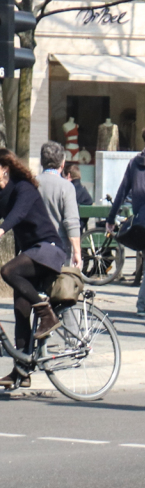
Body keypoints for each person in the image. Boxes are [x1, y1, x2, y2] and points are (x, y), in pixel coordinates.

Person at [0, 149, 68, 389]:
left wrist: (1, 230)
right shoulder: (3, 194)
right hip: (31, 254)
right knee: (20, 311)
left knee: (8, 271)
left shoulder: (24, 188)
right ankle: (22, 371)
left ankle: (47, 315)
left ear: (4, 168)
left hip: (48, 250)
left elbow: (17, 215)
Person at [107, 123, 145, 316]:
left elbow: (122, 191)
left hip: (138, 220)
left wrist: (111, 218)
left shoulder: (134, 162)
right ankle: (142, 304)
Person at [35, 141, 82, 266]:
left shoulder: (30, 184)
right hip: (58, 248)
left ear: (41, 162)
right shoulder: (66, 187)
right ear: (62, 163)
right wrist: (77, 252)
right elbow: (71, 222)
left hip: (33, 246)